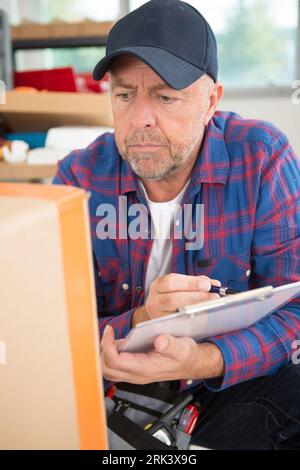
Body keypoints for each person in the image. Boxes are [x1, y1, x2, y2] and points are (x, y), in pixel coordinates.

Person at [53, 0, 300, 450]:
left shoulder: (262, 157)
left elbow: (295, 309)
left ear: (211, 101)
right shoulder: (79, 178)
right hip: (110, 384)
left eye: (166, 96)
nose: (141, 118)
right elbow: (51, 328)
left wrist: (204, 359)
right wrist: (142, 320)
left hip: (221, 382)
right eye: (125, 95)